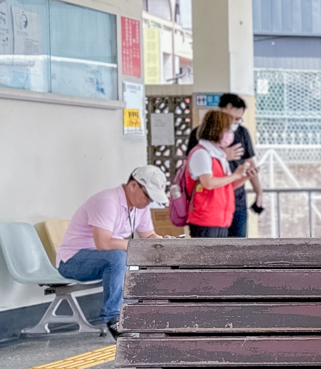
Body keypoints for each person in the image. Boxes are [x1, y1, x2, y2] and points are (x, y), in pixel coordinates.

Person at [56, 166, 167, 337]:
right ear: (133, 186)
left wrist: (161, 243)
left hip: (104, 260)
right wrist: (141, 246)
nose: (148, 202)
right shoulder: (107, 201)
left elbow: (148, 236)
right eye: (148, 196)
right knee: (118, 257)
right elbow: (104, 243)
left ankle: (149, 312)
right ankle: (114, 318)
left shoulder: (140, 207)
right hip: (73, 261)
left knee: (152, 255)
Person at [185, 109, 251, 237]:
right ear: (216, 130)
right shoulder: (202, 153)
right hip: (205, 221)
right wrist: (234, 175)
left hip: (221, 220)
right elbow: (208, 183)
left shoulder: (219, 155)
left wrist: (243, 177)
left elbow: (226, 186)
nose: (230, 134)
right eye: (227, 130)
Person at [218, 92, 264, 237]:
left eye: (238, 119)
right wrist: (222, 155)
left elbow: (249, 162)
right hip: (215, 200)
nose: (233, 123)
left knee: (239, 244)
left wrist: (259, 192)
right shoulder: (206, 133)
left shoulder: (242, 132)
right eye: (231, 118)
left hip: (237, 198)